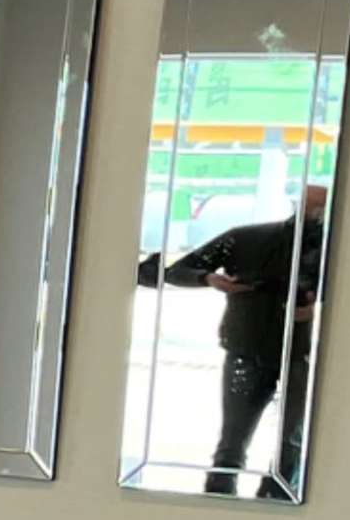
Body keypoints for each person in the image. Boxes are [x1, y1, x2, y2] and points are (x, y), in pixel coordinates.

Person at [138, 182, 327, 497]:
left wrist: (315, 312)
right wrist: (210, 279)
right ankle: (233, 494)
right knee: (237, 440)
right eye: (310, 201)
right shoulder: (248, 238)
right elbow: (178, 270)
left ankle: (265, 495)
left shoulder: (336, 251)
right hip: (249, 346)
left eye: (319, 203)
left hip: (298, 352)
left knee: (288, 440)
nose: (313, 208)